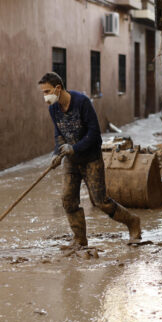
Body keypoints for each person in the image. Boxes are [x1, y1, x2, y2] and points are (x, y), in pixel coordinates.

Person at [38, 72, 141, 247]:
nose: (45, 96)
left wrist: (74, 148)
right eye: (43, 92)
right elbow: (59, 134)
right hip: (71, 161)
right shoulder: (53, 109)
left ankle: (133, 222)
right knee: (68, 200)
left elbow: (95, 134)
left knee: (100, 201)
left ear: (58, 88)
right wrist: (57, 154)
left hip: (91, 158)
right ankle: (80, 240)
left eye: (47, 91)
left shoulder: (82, 102)